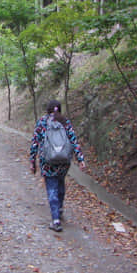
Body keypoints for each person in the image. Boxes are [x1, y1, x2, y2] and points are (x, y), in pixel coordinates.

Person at [30, 99, 86, 232]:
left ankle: (55, 220)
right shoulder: (65, 122)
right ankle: (60, 209)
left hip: (48, 162)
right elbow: (73, 140)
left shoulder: (42, 122)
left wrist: (32, 161)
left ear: (47, 109)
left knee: (51, 188)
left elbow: (35, 143)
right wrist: (80, 159)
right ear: (59, 109)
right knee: (60, 183)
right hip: (64, 162)